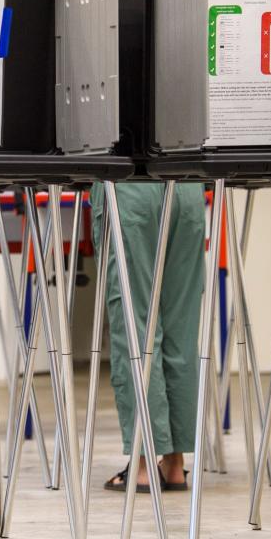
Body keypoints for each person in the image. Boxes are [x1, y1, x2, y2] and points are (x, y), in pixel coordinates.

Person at [90, 182, 205, 493]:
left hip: (129, 186)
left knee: (136, 326)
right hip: (188, 187)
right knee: (182, 327)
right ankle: (174, 463)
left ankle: (142, 466)